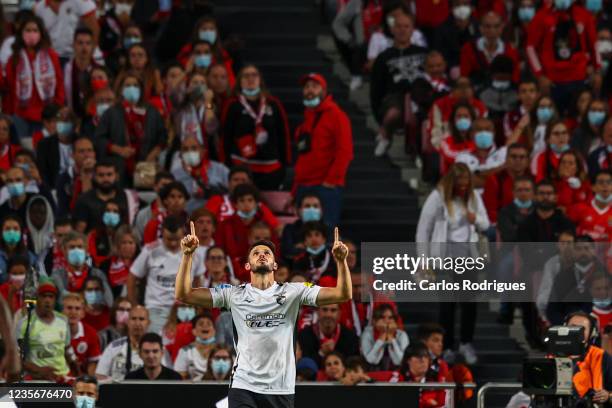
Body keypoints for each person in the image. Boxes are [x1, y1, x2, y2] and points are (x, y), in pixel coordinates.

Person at [176, 221, 352, 406]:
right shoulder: (233, 294)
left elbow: (342, 294)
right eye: (256, 253)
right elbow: (184, 294)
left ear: (275, 265)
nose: (262, 255)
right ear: (247, 266)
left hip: (281, 388)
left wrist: (341, 261)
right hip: (243, 385)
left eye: (267, 253)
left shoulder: (294, 292)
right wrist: (187, 255)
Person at [416, 163, 490, 365]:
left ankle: (466, 342)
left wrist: (475, 219)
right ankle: (447, 346)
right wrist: (423, 259)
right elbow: (424, 229)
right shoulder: (437, 198)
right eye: (460, 184)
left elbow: (486, 223)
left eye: (467, 183)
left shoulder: (474, 198)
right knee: (447, 305)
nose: (464, 187)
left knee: (469, 304)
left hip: (468, 257)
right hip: (445, 258)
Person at [294, 72, 353, 227]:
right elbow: (302, 157)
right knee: (304, 236)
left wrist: (331, 181)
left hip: (325, 187)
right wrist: (295, 189)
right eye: (306, 87)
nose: (310, 90)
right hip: (304, 187)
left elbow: (345, 151)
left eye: (314, 86)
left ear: (324, 91)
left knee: (326, 235)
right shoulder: (305, 121)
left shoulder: (337, 116)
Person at [129, 215, 204, 335]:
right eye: (169, 239)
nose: (173, 243)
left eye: (176, 239)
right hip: (156, 309)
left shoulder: (194, 251)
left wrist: (198, 308)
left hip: (184, 310)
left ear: (183, 234)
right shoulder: (150, 250)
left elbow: (198, 282)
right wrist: (135, 306)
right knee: (153, 345)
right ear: (162, 233)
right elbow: (132, 277)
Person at [220, 64, 291, 190]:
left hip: (270, 169)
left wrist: (285, 164)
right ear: (239, 81)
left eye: (254, 75)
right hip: (241, 168)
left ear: (260, 80)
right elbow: (225, 137)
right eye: (246, 76)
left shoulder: (273, 104)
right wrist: (226, 164)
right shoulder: (232, 104)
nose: (250, 79)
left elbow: (283, 134)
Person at [525, 0, 601, 114]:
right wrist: (540, 75)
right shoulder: (541, 17)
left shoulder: (584, 15)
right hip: (553, 82)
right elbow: (530, 48)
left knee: (581, 117)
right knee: (555, 121)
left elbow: (594, 45)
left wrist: (597, 70)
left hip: (579, 79)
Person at [369, 6, 427, 156]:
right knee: (392, 114)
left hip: (421, 96)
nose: (402, 30)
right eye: (399, 26)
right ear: (392, 29)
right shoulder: (383, 57)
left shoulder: (423, 53)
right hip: (394, 98)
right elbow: (375, 90)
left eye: (406, 26)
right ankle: (386, 135)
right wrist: (379, 120)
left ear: (412, 29)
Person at [95, 71, 166, 181]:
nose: (131, 88)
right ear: (121, 89)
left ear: (141, 89)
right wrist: (119, 150)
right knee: (120, 195)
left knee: (145, 195)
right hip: (119, 165)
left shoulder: (152, 111)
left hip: (146, 164)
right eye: (127, 85)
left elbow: (163, 137)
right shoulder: (111, 113)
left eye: (135, 85)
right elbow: (99, 138)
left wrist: (153, 155)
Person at [5, 14, 64, 138]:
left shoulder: (51, 56)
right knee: (24, 150)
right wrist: (9, 114)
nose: (31, 33)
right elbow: (10, 87)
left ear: (41, 33)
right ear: (21, 33)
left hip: (46, 114)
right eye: (28, 30)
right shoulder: (14, 58)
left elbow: (59, 82)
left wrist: (57, 106)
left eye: (35, 30)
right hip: (21, 114)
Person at [214, 184, 279, 282]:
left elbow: (275, 252)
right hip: (231, 274)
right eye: (242, 200)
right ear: (235, 204)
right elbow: (220, 251)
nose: (246, 204)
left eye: (250, 200)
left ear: (256, 203)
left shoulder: (266, 226)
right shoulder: (225, 226)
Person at [17, 280, 79, 380]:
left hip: (62, 375)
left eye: (51, 297)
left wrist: (77, 369)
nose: (47, 300)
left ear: (55, 300)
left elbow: (67, 348)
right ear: (37, 298)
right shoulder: (25, 323)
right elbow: (17, 356)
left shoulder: (63, 320)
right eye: (44, 296)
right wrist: (39, 370)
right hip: (37, 378)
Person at [459, 12, 520, 91]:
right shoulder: (468, 48)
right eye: (487, 26)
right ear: (480, 28)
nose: (492, 30)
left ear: (502, 27)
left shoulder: (510, 51)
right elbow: (464, 77)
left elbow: (515, 79)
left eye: (496, 26)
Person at [51, 231, 113, 308]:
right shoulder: (57, 276)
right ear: (64, 250)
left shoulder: (98, 275)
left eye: (80, 247)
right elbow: (59, 303)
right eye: (72, 247)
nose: (76, 251)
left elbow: (109, 302)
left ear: (86, 250)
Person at [73, 160, 139, 233]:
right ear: (94, 177)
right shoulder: (84, 200)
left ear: (117, 176)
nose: (105, 179)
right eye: (101, 175)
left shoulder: (128, 197)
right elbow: (80, 231)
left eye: (109, 174)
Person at [332, 0, 383, 91]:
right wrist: (349, 39)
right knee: (355, 44)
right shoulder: (356, 3)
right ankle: (356, 75)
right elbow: (337, 24)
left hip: (384, 42)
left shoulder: (388, 3)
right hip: (364, 45)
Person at [96, 305, 155, 381]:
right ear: (127, 322)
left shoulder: (157, 349)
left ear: (148, 323)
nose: (137, 323)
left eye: (141, 319)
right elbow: (100, 375)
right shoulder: (113, 347)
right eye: (133, 319)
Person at [34, 0, 99, 63]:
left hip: (78, 57)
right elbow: (41, 35)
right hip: (52, 58)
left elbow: (94, 30)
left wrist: (88, 57)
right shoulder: (39, 7)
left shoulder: (81, 2)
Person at [482, 143, 532, 225]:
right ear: (506, 159)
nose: (518, 160)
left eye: (522, 157)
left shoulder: (534, 180)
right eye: (513, 157)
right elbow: (491, 212)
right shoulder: (494, 180)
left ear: (527, 161)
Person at [569, 311, 612, 404]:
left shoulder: (601, 356)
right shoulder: (552, 356)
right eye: (572, 327)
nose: (576, 331)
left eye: (582, 328)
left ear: (591, 333)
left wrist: (608, 395)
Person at [298, 302, 360, 367]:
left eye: (333, 310)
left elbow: (354, 365)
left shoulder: (350, 337)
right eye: (325, 310)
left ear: (339, 314)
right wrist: (321, 353)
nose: (328, 315)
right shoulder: (304, 335)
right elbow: (304, 366)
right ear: (317, 312)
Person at [432, 0, 479, 77]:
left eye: (465, 4)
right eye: (457, 5)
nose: (461, 8)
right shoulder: (441, 30)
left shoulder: (479, 27)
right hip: (450, 73)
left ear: (472, 7)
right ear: (451, 8)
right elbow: (441, 55)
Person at [62, 292, 101, 376]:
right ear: (62, 311)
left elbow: (93, 362)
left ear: (83, 313)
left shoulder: (91, 333)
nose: (73, 312)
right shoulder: (53, 331)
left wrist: (88, 380)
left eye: (77, 308)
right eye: (69, 308)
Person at [360, 303, 409, 370]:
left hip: (397, 373)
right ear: (374, 321)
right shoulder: (367, 334)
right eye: (382, 317)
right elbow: (371, 360)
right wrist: (381, 339)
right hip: (371, 372)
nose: (387, 321)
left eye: (390, 318)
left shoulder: (401, 335)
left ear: (395, 321)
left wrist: (392, 340)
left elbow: (400, 361)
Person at [56, 137, 96, 217]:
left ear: (94, 154)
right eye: (81, 151)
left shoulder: (103, 174)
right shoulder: (64, 179)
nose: (86, 155)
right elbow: (64, 210)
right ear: (73, 155)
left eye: (89, 150)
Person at [567, 170, 611, 242]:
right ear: (593, 187)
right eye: (601, 182)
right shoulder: (579, 208)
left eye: (609, 182)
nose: (605, 185)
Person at [64, 27, 99, 119]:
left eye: (88, 43)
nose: (84, 47)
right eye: (80, 43)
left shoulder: (99, 70)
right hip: (70, 117)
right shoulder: (65, 69)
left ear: (93, 46)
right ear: (73, 45)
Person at [281, 193, 325, 263]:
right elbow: (287, 251)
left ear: (321, 210)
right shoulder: (289, 229)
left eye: (315, 206)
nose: (311, 209)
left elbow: (331, 249)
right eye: (307, 206)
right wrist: (315, 247)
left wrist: (303, 247)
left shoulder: (329, 228)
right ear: (299, 210)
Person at [399, 343, 446, 407]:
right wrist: (426, 402)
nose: (423, 360)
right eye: (419, 356)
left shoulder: (436, 380)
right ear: (408, 360)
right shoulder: (399, 379)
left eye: (426, 357)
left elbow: (442, 405)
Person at [99, 225, 139, 299]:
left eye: (131, 243)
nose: (127, 246)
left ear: (136, 245)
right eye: (124, 243)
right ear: (117, 245)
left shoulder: (141, 264)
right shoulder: (106, 265)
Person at [174, 314, 217, 380]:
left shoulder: (221, 351)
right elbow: (179, 377)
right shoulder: (185, 351)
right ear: (194, 331)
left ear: (214, 331)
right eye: (201, 324)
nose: (205, 326)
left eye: (208, 324)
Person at [133, 171, 174, 240]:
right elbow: (138, 240)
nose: (167, 189)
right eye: (164, 185)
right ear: (155, 186)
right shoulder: (143, 214)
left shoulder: (178, 213)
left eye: (170, 186)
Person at [87, 199, 126, 267]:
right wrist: (110, 257)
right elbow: (92, 260)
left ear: (120, 216)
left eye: (115, 211)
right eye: (108, 211)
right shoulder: (94, 235)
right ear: (102, 214)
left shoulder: (126, 234)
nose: (111, 214)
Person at [0, 215, 37, 283]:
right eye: (7, 229)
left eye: (15, 229)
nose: (11, 232)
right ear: (1, 232)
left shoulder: (30, 257)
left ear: (21, 232)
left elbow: (35, 281)